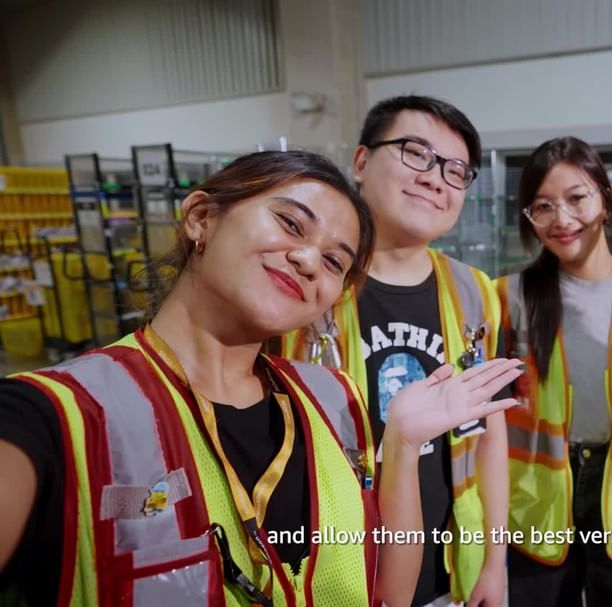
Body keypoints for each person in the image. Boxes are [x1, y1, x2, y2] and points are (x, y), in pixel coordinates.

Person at [0, 151, 523, 607]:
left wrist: (404, 444)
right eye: (291, 224)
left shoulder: (333, 397)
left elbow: (390, 592)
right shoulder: (56, 416)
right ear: (201, 217)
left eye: (334, 261)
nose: (308, 260)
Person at [278, 96, 509, 607]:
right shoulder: (307, 282)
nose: (435, 179)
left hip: (452, 568)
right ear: (361, 161)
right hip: (334, 566)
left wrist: (495, 563)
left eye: (455, 170)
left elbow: (490, 434)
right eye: (416, 153)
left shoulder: (474, 291)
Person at [497, 137, 612, 607]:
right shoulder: (508, 296)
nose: (561, 219)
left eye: (576, 198)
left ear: (606, 200)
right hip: (538, 497)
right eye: (542, 207)